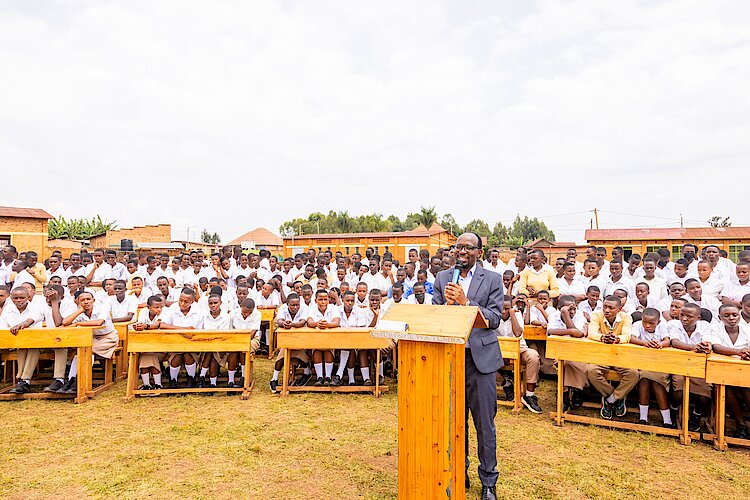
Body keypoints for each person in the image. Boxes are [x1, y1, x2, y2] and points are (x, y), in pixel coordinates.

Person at [433, 233, 503, 498]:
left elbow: (494, 318)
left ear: (479, 252)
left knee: (484, 424)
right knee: (454, 421)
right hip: (451, 359)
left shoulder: (493, 279)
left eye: (468, 248)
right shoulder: (442, 278)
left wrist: (466, 303)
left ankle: (488, 481)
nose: (462, 251)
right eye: (458, 247)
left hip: (480, 361)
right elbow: (435, 315)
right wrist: (446, 307)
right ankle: (458, 472)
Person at [586, 295, 638, 420]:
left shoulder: (626, 317)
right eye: (605, 307)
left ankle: (610, 400)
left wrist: (617, 339)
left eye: (611, 308)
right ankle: (616, 397)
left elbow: (627, 336)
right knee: (592, 371)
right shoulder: (596, 315)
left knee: (633, 374)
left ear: (619, 309)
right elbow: (591, 333)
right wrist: (602, 337)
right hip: (601, 355)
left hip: (620, 356)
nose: (607, 310)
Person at [60, 290, 120, 395]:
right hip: (92, 338)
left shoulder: (101, 308)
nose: (86, 302)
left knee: (86, 350)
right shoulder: (79, 312)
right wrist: (80, 310)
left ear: (93, 300)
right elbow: (65, 322)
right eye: (82, 300)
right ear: (78, 302)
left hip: (108, 338)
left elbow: (99, 322)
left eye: (88, 299)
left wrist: (78, 324)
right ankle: (71, 380)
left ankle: (80, 380)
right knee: (80, 351)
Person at [668, 303, 713, 432]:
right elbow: (675, 342)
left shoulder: (705, 326)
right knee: (678, 390)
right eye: (682, 315)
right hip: (679, 364)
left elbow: (708, 343)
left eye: (689, 316)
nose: (684, 318)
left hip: (699, 366)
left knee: (705, 391)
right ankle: (673, 410)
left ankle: (696, 415)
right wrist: (693, 348)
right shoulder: (674, 324)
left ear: (698, 318)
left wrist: (706, 347)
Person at [495, 296, 541, 413]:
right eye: (501, 308)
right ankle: (505, 383)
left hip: (519, 348)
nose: (504, 312)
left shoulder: (517, 314)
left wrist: (512, 315)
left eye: (507, 309)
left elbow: (517, 333)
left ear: (512, 308)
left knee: (533, 356)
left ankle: (529, 395)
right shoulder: (493, 315)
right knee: (479, 359)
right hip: (498, 350)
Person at [710, 304, 750, 437]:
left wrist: (747, 354)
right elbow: (716, 347)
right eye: (726, 316)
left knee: (746, 388)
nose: (731, 318)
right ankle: (741, 425)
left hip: (744, 370)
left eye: (735, 315)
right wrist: (738, 351)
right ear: (719, 317)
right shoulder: (715, 328)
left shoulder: (747, 329)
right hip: (722, 370)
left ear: (739, 316)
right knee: (726, 390)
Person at [629, 308, 673, 427]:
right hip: (642, 362)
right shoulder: (637, 325)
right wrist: (645, 343)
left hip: (659, 363)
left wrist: (659, 345)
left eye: (651, 323)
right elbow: (632, 338)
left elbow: (667, 341)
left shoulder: (663, 326)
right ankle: (643, 417)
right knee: (644, 380)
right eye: (645, 322)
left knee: (657, 382)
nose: (647, 325)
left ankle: (667, 420)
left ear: (658, 322)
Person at [546, 295, 588, 411]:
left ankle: (571, 391)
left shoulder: (580, 315)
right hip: (560, 350)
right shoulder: (554, 315)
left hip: (578, 350)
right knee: (564, 362)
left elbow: (578, 335)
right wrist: (571, 331)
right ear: (559, 308)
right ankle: (571, 392)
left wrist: (566, 316)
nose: (572, 312)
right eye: (569, 309)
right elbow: (550, 331)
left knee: (570, 363)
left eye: (574, 309)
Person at [0, 287, 45, 393]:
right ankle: (22, 381)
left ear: (28, 297)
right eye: (15, 298)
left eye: (22, 297)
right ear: (11, 298)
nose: (18, 300)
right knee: (22, 348)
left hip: (36, 342)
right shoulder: (8, 310)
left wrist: (19, 325)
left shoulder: (36, 308)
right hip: (16, 343)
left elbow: (30, 321)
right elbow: (2, 327)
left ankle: (24, 380)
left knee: (32, 349)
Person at [270, 293, 311, 391]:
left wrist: (292, 324)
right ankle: (274, 378)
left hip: (301, 338)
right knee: (284, 351)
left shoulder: (304, 308)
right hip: (287, 339)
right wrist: (283, 323)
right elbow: (279, 320)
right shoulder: (282, 308)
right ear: (287, 304)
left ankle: (306, 373)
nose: (295, 307)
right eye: (292, 305)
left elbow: (302, 322)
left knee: (299, 351)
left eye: (297, 305)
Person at [131, 295, 167, 391]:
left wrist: (145, 326)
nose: (159, 309)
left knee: (149, 356)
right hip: (146, 345)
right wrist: (138, 327)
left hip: (162, 345)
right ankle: (149, 385)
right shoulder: (143, 312)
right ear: (148, 307)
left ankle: (155, 384)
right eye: (156, 307)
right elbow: (140, 324)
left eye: (161, 307)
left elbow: (157, 325)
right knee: (146, 356)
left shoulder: (165, 312)